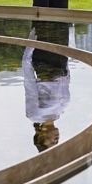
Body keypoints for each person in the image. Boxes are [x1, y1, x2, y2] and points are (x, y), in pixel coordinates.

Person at [23, 21, 71, 152]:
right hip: (61, 61)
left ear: (40, 137)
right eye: (57, 142)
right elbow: (66, 80)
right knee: (61, 19)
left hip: (45, 61)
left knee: (45, 19)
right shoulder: (59, 112)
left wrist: (31, 44)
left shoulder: (35, 115)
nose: (56, 140)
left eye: (51, 142)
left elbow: (29, 85)